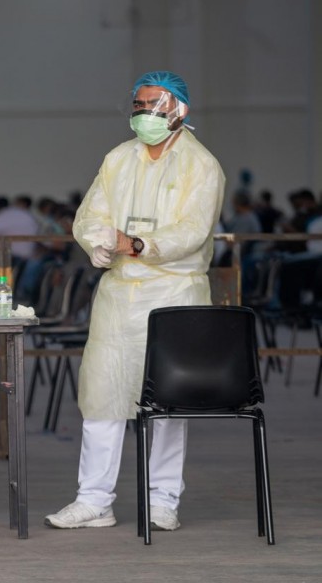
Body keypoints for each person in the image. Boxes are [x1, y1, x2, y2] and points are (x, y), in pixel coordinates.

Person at [44, 71, 225, 532]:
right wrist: (98, 241)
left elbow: (193, 230)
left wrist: (139, 244)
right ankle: (94, 500)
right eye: (139, 105)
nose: (145, 113)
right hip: (120, 294)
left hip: (175, 292)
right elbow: (90, 213)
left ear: (179, 109)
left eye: (154, 105)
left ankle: (162, 499)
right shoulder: (118, 159)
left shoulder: (201, 165)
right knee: (102, 394)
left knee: (166, 400)